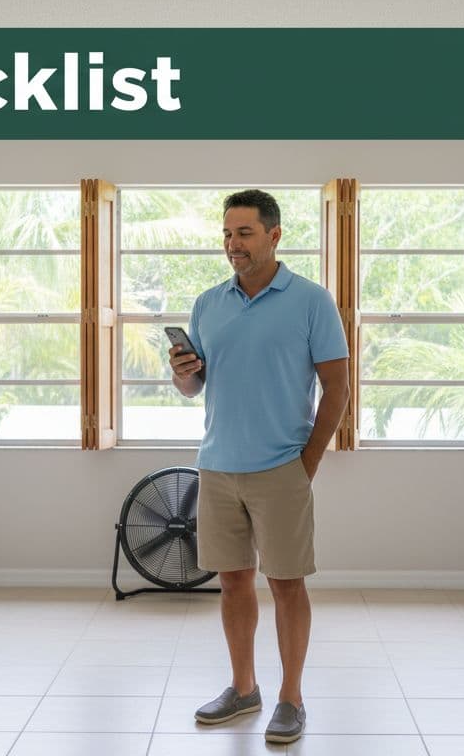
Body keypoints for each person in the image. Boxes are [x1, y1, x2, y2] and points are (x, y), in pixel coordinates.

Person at [168, 189, 350, 744]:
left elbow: (337, 387)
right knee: (232, 582)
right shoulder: (208, 302)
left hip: (281, 469)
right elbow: (193, 385)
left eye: (244, 233)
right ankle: (243, 689)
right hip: (218, 465)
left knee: (287, 584)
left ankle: (291, 699)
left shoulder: (311, 301)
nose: (232, 245)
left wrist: (307, 463)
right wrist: (181, 371)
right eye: (226, 234)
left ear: (274, 236)